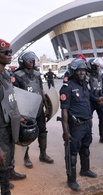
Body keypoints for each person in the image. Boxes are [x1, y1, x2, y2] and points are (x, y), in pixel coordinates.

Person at [60, 58, 97, 191]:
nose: (82, 73)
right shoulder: (67, 87)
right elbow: (64, 110)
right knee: (72, 154)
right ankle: (71, 180)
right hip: (75, 126)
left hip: (87, 123)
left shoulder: (85, 85)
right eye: (79, 70)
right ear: (73, 71)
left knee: (85, 149)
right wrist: (66, 131)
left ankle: (85, 170)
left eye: (83, 70)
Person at [12, 51, 54, 169]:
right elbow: (15, 95)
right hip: (26, 110)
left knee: (43, 131)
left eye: (32, 60)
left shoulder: (36, 74)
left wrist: (46, 106)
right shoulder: (17, 76)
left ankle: (43, 154)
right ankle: (26, 157)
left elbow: (41, 90)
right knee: (25, 133)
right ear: (23, 62)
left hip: (38, 107)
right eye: (29, 60)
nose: (31, 62)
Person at [0, 38, 24, 194]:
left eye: (11, 52)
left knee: (6, 165)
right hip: (0, 132)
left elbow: (10, 101)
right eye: (6, 52)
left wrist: (19, 116)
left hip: (9, 127)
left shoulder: (6, 76)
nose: (10, 55)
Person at [88, 58, 103, 144]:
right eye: (97, 66)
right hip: (91, 102)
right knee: (88, 119)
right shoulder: (87, 77)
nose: (98, 68)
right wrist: (95, 98)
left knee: (102, 118)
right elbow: (87, 91)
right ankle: (88, 137)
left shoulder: (100, 76)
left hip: (100, 101)